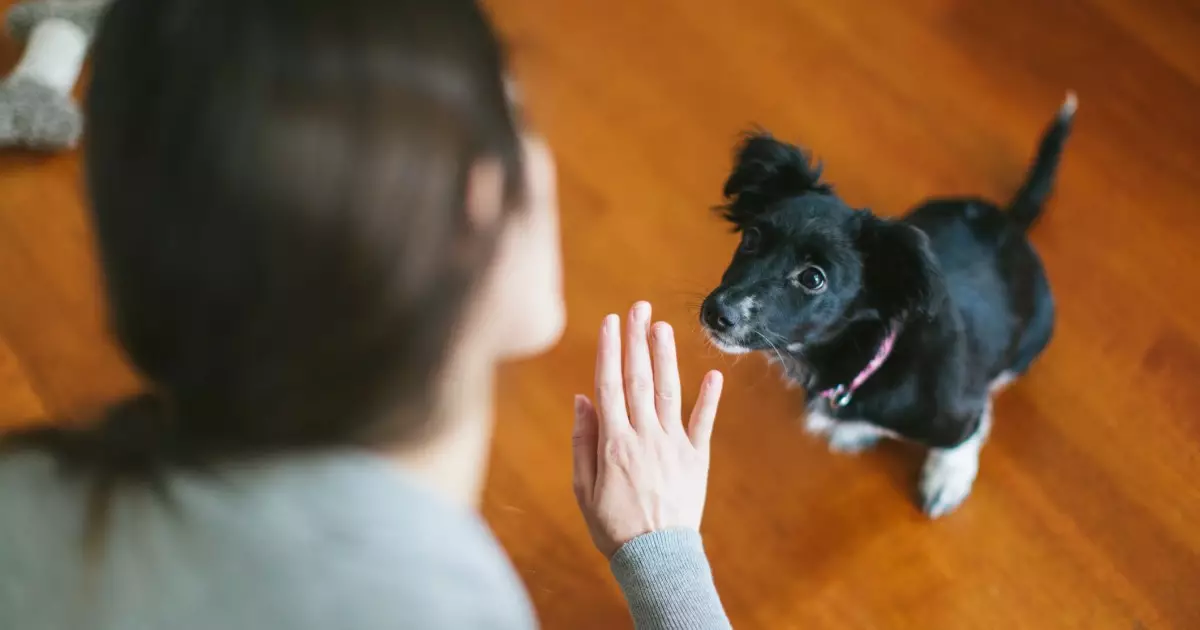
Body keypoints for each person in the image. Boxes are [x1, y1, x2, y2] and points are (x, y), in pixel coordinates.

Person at [0, 1, 733, 628]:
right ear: (477, 206)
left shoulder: (23, 496)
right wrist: (669, 569)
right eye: (512, 114)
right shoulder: (427, 605)